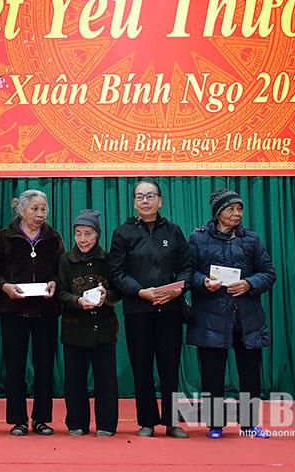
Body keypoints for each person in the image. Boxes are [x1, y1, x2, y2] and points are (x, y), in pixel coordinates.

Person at [187, 189, 276, 439]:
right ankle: (215, 425)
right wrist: (203, 282)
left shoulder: (251, 239)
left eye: (239, 209)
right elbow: (187, 272)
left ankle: (249, 425)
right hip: (210, 318)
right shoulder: (198, 238)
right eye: (230, 209)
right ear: (218, 213)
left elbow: (268, 272)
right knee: (212, 374)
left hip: (247, 319)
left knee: (250, 375)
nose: (237, 214)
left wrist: (249, 284)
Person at [108, 179, 191, 438]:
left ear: (160, 200)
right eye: (140, 196)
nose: (145, 201)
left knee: (170, 366)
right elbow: (116, 272)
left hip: (170, 309)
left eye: (150, 195)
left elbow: (187, 267)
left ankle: (172, 422)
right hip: (138, 310)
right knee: (141, 366)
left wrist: (178, 290)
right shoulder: (123, 233)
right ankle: (147, 422)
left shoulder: (173, 231)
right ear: (134, 202)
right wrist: (139, 291)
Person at [0, 189, 63, 436]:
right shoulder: (4, 236)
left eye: (44, 208)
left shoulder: (54, 237)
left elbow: (61, 270)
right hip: (13, 310)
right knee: (15, 367)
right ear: (21, 210)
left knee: (44, 367)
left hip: (46, 311)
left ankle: (41, 419)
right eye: (34, 208)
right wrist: (4, 287)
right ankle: (18, 420)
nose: (40, 213)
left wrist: (55, 283)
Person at [57, 209, 121, 437]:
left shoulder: (108, 260)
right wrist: (77, 301)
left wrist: (107, 296)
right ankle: (77, 422)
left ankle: (106, 424)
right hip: (74, 328)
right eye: (78, 233)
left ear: (97, 235)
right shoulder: (65, 260)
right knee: (74, 379)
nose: (82, 239)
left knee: (106, 379)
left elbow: (119, 290)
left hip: (104, 328)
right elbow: (60, 292)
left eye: (88, 234)